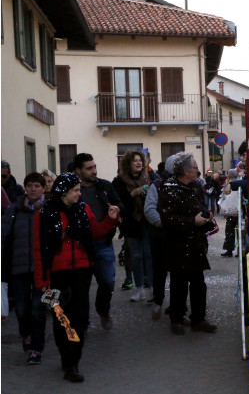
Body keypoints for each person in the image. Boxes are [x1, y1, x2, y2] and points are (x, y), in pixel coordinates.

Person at [33, 173, 119, 382]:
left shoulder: (83, 209)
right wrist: (41, 282)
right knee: (60, 317)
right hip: (54, 274)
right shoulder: (43, 214)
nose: (80, 194)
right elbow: (37, 249)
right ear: (63, 192)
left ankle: (73, 362)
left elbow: (95, 233)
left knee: (79, 318)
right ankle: (66, 356)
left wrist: (110, 219)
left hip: (81, 271)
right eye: (76, 190)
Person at [157, 152, 218, 335]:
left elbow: (199, 209)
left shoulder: (195, 187)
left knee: (199, 283)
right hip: (177, 244)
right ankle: (176, 319)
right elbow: (167, 219)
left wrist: (206, 218)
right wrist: (193, 222)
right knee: (179, 283)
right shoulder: (168, 189)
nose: (198, 171)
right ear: (185, 171)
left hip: (196, 244)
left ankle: (198, 319)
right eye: (195, 167)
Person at [1, 173, 48, 365]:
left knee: (38, 309)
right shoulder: (14, 209)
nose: (33, 189)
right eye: (30, 185)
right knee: (21, 309)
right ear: (25, 187)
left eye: (37, 185)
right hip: (18, 267)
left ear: (44, 188)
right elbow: (3, 235)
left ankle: (37, 348)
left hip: (42, 269)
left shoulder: (48, 209)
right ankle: (26, 335)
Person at [73, 153, 122, 330]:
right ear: (78, 170)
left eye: (94, 167)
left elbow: (119, 204)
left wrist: (116, 211)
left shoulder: (104, 186)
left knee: (107, 281)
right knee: (81, 286)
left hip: (103, 243)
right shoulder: (72, 189)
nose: (94, 171)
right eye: (89, 168)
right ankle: (82, 320)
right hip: (80, 246)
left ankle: (103, 311)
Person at [112, 150, 153, 302]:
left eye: (140, 160)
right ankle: (139, 289)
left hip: (148, 222)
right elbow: (118, 202)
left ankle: (153, 288)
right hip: (131, 223)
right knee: (136, 256)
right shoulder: (118, 182)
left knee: (149, 254)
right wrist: (131, 195)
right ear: (128, 163)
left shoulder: (150, 178)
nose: (138, 163)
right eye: (134, 160)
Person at [144, 154, 177, 319]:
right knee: (159, 271)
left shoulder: (189, 185)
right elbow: (149, 210)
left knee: (179, 273)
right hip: (160, 236)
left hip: (179, 236)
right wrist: (168, 224)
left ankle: (176, 306)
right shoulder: (157, 185)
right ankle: (158, 301)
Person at [219, 169, 241, 257]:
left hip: (234, 210)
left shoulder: (234, 183)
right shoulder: (235, 182)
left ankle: (230, 250)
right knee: (236, 232)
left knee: (230, 232)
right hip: (235, 211)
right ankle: (237, 251)